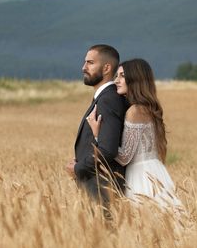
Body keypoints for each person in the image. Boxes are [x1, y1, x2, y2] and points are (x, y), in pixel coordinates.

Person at [86, 58, 183, 211]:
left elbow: (124, 157)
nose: (116, 80)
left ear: (136, 80)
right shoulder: (146, 108)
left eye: (122, 76)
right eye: (116, 75)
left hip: (141, 177)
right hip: (155, 172)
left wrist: (99, 135)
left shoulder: (135, 111)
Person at [66, 44, 128, 208]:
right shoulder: (106, 97)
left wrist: (79, 168)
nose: (83, 67)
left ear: (106, 67)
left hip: (102, 190)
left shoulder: (108, 99)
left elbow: (108, 149)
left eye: (90, 63)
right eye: (85, 62)